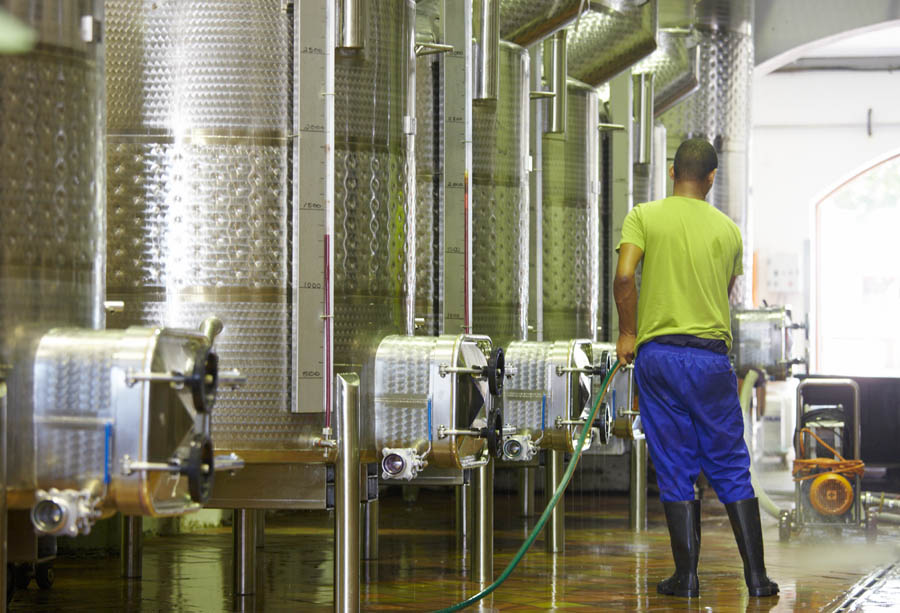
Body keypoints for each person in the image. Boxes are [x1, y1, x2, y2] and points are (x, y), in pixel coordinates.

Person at [613, 138, 779, 598]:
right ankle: (758, 579)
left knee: (674, 464)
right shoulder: (728, 230)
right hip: (709, 360)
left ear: (671, 172)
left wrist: (628, 332)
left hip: (659, 357)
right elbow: (722, 291)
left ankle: (686, 578)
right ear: (711, 179)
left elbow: (625, 276)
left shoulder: (643, 216)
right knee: (728, 463)